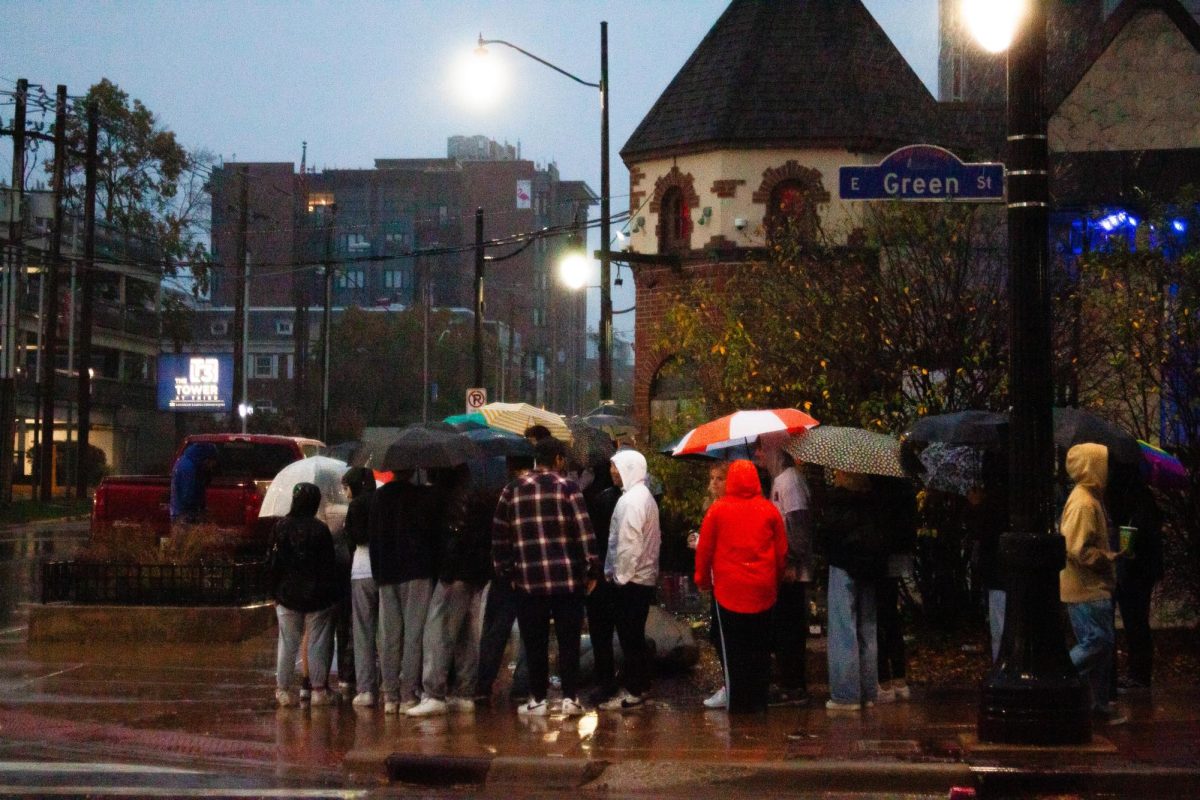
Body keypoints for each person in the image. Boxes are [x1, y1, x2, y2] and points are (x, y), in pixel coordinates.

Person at [492, 437, 599, 717]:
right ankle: (570, 697)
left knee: (535, 641)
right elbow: (584, 532)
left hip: (528, 581)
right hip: (567, 581)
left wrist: (507, 572)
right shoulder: (569, 489)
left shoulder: (512, 490)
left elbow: (500, 537)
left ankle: (537, 698)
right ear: (559, 460)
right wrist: (592, 570)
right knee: (568, 641)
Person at [694, 459, 787, 714]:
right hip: (763, 590)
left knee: (733, 650)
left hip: (729, 591)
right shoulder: (769, 510)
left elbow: (705, 551)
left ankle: (739, 703)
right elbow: (781, 553)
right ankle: (759, 701)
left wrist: (702, 580)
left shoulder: (718, 511)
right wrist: (774, 581)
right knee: (759, 649)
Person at [408, 466, 492, 716]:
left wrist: (445, 572)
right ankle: (465, 692)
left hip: (452, 574)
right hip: (474, 574)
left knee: (439, 630)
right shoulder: (477, 498)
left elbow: (448, 540)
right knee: (466, 632)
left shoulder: (444, 501)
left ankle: (434, 693)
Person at [1060, 443, 1126, 725]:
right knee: (1098, 642)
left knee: (1102, 651)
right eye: (1103, 463)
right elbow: (1077, 549)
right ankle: (1059, 676)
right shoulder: (1084, 503)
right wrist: (1107, 557)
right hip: (1086, 587)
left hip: (1091, 586)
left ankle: (1097, 706)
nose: (1107, 469)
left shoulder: (1089, 499)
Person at [368, 469, 440, 715]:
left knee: (388, 635)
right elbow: (431, 535)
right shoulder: (422, 496)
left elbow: (373, 537)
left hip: (387, 572)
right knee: (414, 634)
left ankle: (390, 696)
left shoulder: (379, 497)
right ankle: (408, 694)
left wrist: (377, 572)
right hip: (417, 571)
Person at [817, 469, 884, 712]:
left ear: (845, 475)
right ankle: (868, 690)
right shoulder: (874, 501)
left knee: (843, 629)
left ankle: (846, 694)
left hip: (844, 564)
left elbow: (828, 533)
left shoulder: (838, 500)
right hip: (870, 567)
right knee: (868, 629)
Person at [599, 449, 661, 711]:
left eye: (617, 467)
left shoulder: (632, 501)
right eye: (612, 467)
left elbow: (628, 544)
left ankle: (634, 692)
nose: (613, 472)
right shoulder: (641, 497)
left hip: (632, 581)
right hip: (641, 579)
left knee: (630, 638)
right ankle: (642, 685)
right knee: (634, 636)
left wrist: (620, 577)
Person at [268, 482, 340, 707]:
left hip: (287, 594)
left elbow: (272, 563)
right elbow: (329, 565)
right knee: (317, 642)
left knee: (287, 643)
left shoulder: (280, 527)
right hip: (317, 596)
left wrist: (274, 591)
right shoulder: (320, 530)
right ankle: (318, 690)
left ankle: (283, 690)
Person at [756, 446, 813, 706]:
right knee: (783, 628)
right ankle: (789, 683)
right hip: (783, 569)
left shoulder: (789, 482)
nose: (759, 455)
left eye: (762, 448)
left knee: (789, 628)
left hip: (791, 571)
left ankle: (794, 685)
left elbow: (797, 524)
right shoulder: (780, 481)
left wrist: (792, 560)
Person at [1113, 481, 1164, 692]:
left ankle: (1139, 675)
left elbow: (1141, 537)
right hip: (1141, 573)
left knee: (1136, 623)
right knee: (1137, 623)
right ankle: (1138, 673)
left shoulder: (1138, 507)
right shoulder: (1143, 503)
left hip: (1137, 574)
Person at [873, 475, 917, 703]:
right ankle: (899, 677)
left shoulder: (876, 488)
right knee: (891, 615)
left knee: (879, 616)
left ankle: (884, 680)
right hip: (897, 554)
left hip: (880, 555)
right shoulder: (904, 487)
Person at [582, 456, 622, 705]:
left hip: (600, 576)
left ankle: (604, 681)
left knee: (601, 633)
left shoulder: (595, 498)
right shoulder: (625, 498)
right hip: (622, 575)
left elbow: (591, 539)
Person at [343, 467, 379, 708]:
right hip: (384, 570)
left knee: (363, 632)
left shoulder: (355, 506)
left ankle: (366, 689)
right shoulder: (380, 503)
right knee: (387, 632)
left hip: (361, 570)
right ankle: (390, 685)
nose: (345, 493)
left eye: (346, 488)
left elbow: (352, 540)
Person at [169, 442, 218, 531]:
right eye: (212, 462)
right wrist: (198, 510)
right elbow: (187, 495)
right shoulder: (189, 468)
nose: (212, 466)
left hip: (180, 513)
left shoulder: (186, 462)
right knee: (186, 541)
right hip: (185, 516)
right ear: (207, 458)